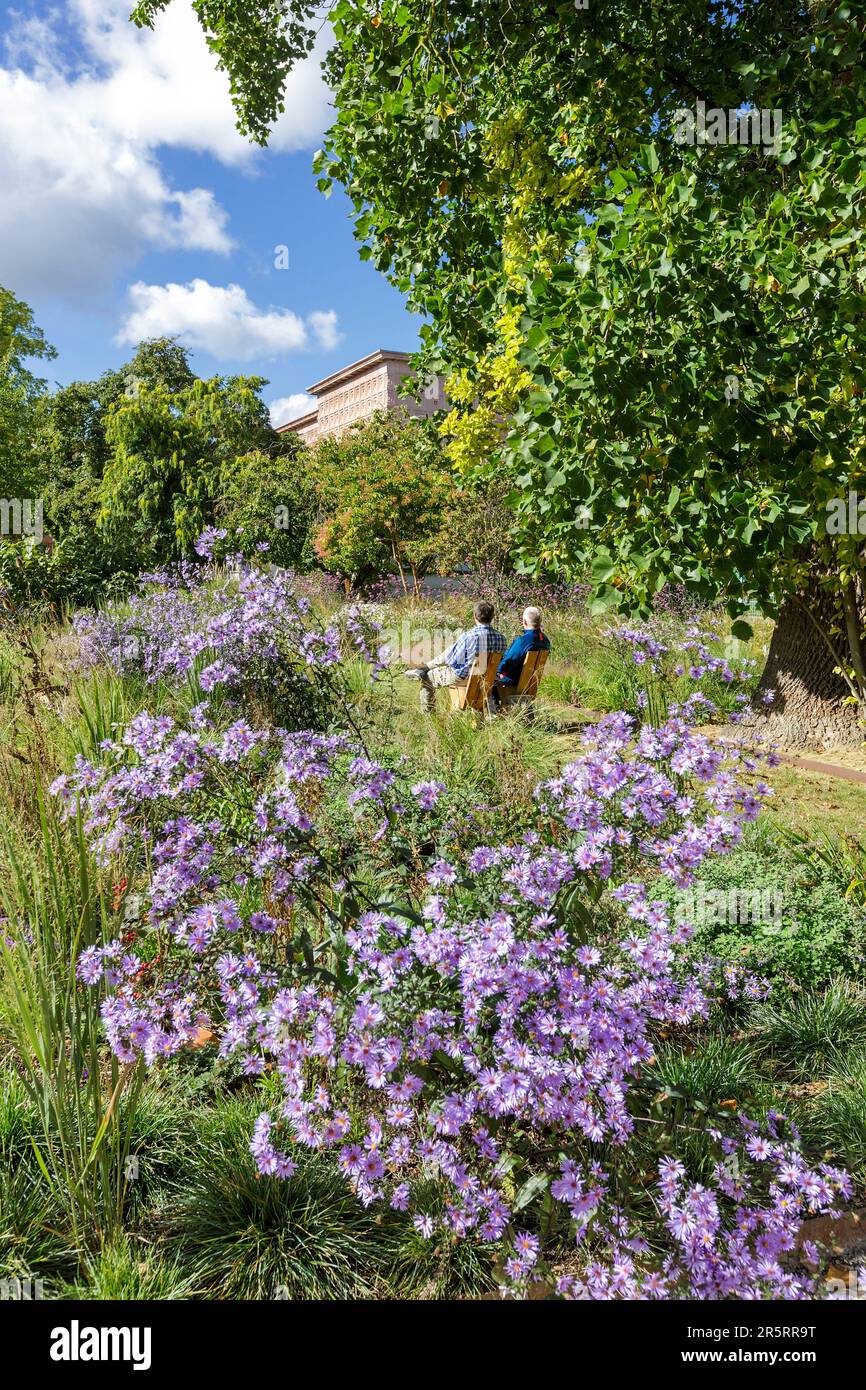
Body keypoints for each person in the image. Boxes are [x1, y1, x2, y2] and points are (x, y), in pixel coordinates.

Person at [404, 600, 506, 712]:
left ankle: (428, 714)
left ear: (475, 616)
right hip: (488, 678)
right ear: (492, 616)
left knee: (428, 677)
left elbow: (452, 660)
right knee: (449, 653)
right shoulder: (501, 638)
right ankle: (425, 667)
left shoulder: (468, 636)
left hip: (463, 678)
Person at [493, 606, 551, 708]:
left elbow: (507, 664)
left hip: (514, 681)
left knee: (489, 678)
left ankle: (494, 712)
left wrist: (495, 670)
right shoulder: (545, 640)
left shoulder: (523, 641)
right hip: (530, 682)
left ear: (524, 621)